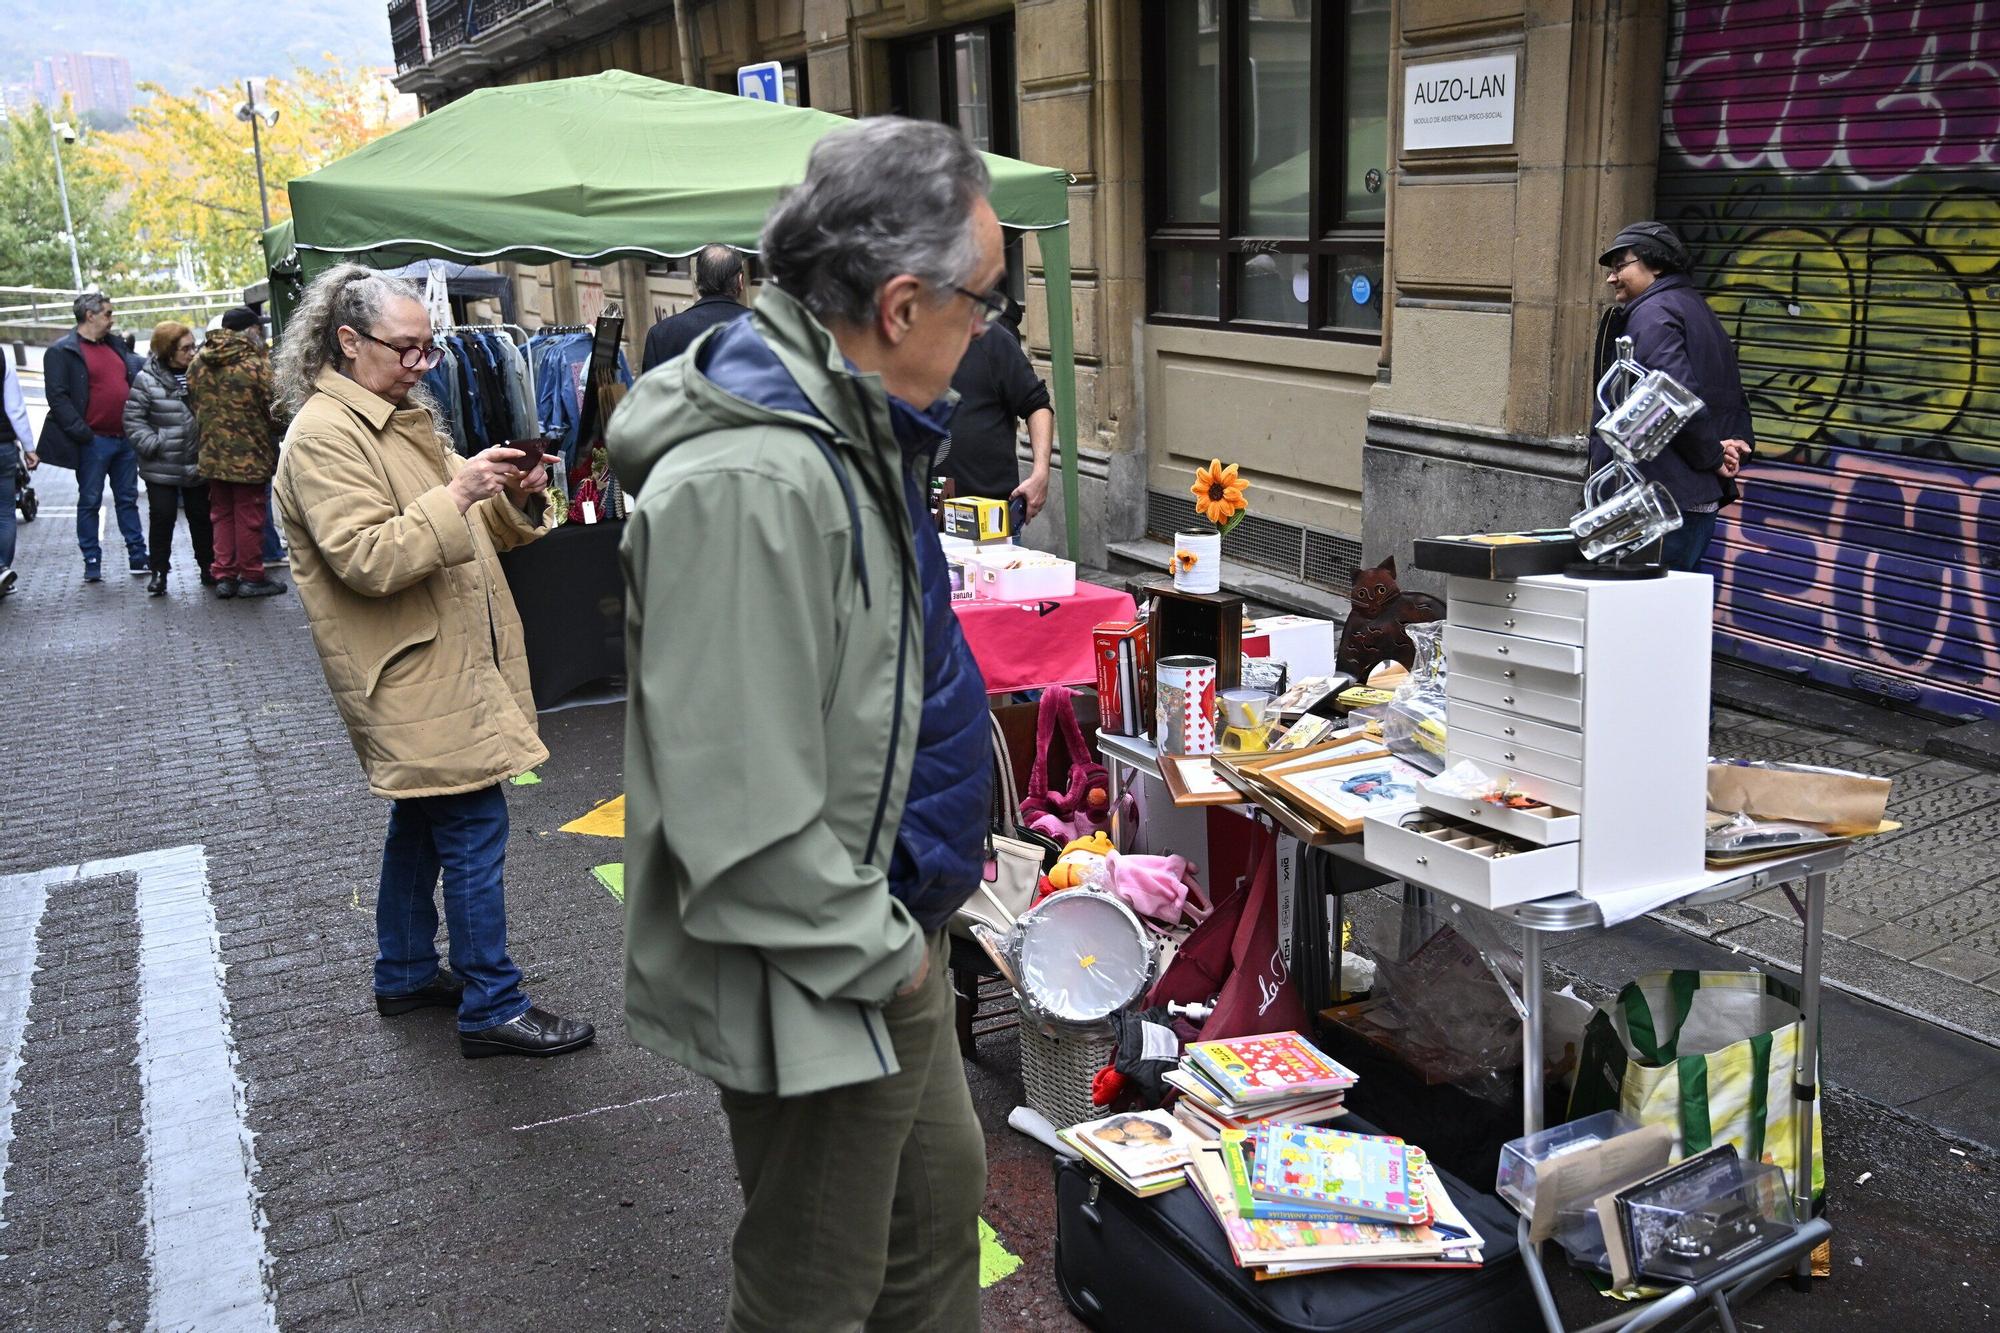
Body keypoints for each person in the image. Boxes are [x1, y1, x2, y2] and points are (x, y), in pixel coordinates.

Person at [611, 117, 999, 1332]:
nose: (988, 327)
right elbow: (739, 812)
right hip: (827, 958)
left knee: (935, 1227)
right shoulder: (751, 480)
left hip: (877, 933)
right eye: (983, 300)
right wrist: (885, 954)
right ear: (898, 303)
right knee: (816, 1289)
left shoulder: (841, 434)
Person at [272, 264, 593, 1061]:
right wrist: (459, 496)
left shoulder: (395, 416)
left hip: (436, 662)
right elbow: (369, 557)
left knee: (423, 819)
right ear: (348, 342)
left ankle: (407, 969)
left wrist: (509, 491)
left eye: (430, 349)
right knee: (474, 823)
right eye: (406, 350)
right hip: (410, 668)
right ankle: (493, 1001)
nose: (422, 365)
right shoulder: (324, 434)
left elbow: (475, 528)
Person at [1593, 221, 1752, 572]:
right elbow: (1731, 393)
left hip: (1659, 501)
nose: (1611, 277)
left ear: (1657, 264)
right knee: (1672, 615)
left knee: (1641, 615)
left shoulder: (1654, 314)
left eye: (1620, 266)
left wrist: (1713, 454)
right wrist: (1733, 444)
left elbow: (1673, 399)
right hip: (1691, 498)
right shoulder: (1695, 308)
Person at [37, 293, 147, 582]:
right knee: (90, 500)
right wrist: (82, 432)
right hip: (93, 441)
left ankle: (138, 555)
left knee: (127, 499)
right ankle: (92, 560)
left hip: (123, 438)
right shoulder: (63, 351)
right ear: (90, 315)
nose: (112, 319)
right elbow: (57, 397)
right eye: (108, 314)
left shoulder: (115, 345)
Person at [189, 307, 287, 599]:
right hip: (250, 455)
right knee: (250, 514)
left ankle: (225, 575)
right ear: (252, 331)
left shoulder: (197, 363)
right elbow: (276, 411)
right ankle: (252, 576)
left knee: (221, 514)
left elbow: (193, 404)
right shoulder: (256, 365)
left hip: (211, 453)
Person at [936, 298, 1053, 526]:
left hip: (988, 521)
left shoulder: (989, 338)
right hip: (921, 520)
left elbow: (1036, 404)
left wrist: (1041, 473)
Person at [123, 321, 217, 598]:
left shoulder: (199, 374)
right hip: (161, 464)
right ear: (167, 350)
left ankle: (208, 567)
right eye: (185, 348)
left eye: (193, 346)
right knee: (162, 517)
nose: (192, 352)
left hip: (196, 460)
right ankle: (159, 572)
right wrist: (154, 444)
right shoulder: (146, 379)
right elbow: (133, 420)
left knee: (201, 517)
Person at [639, 243, 752, 372]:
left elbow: (651, 390)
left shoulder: (661, 334)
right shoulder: (763, 329)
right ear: (740, 280)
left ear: (696, 279)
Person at [0, 353, 36, 598]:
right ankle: (2, 570)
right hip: (2, 446)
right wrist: (28, 446)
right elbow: (15, 407)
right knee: (4, 512)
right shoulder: (1, 356)